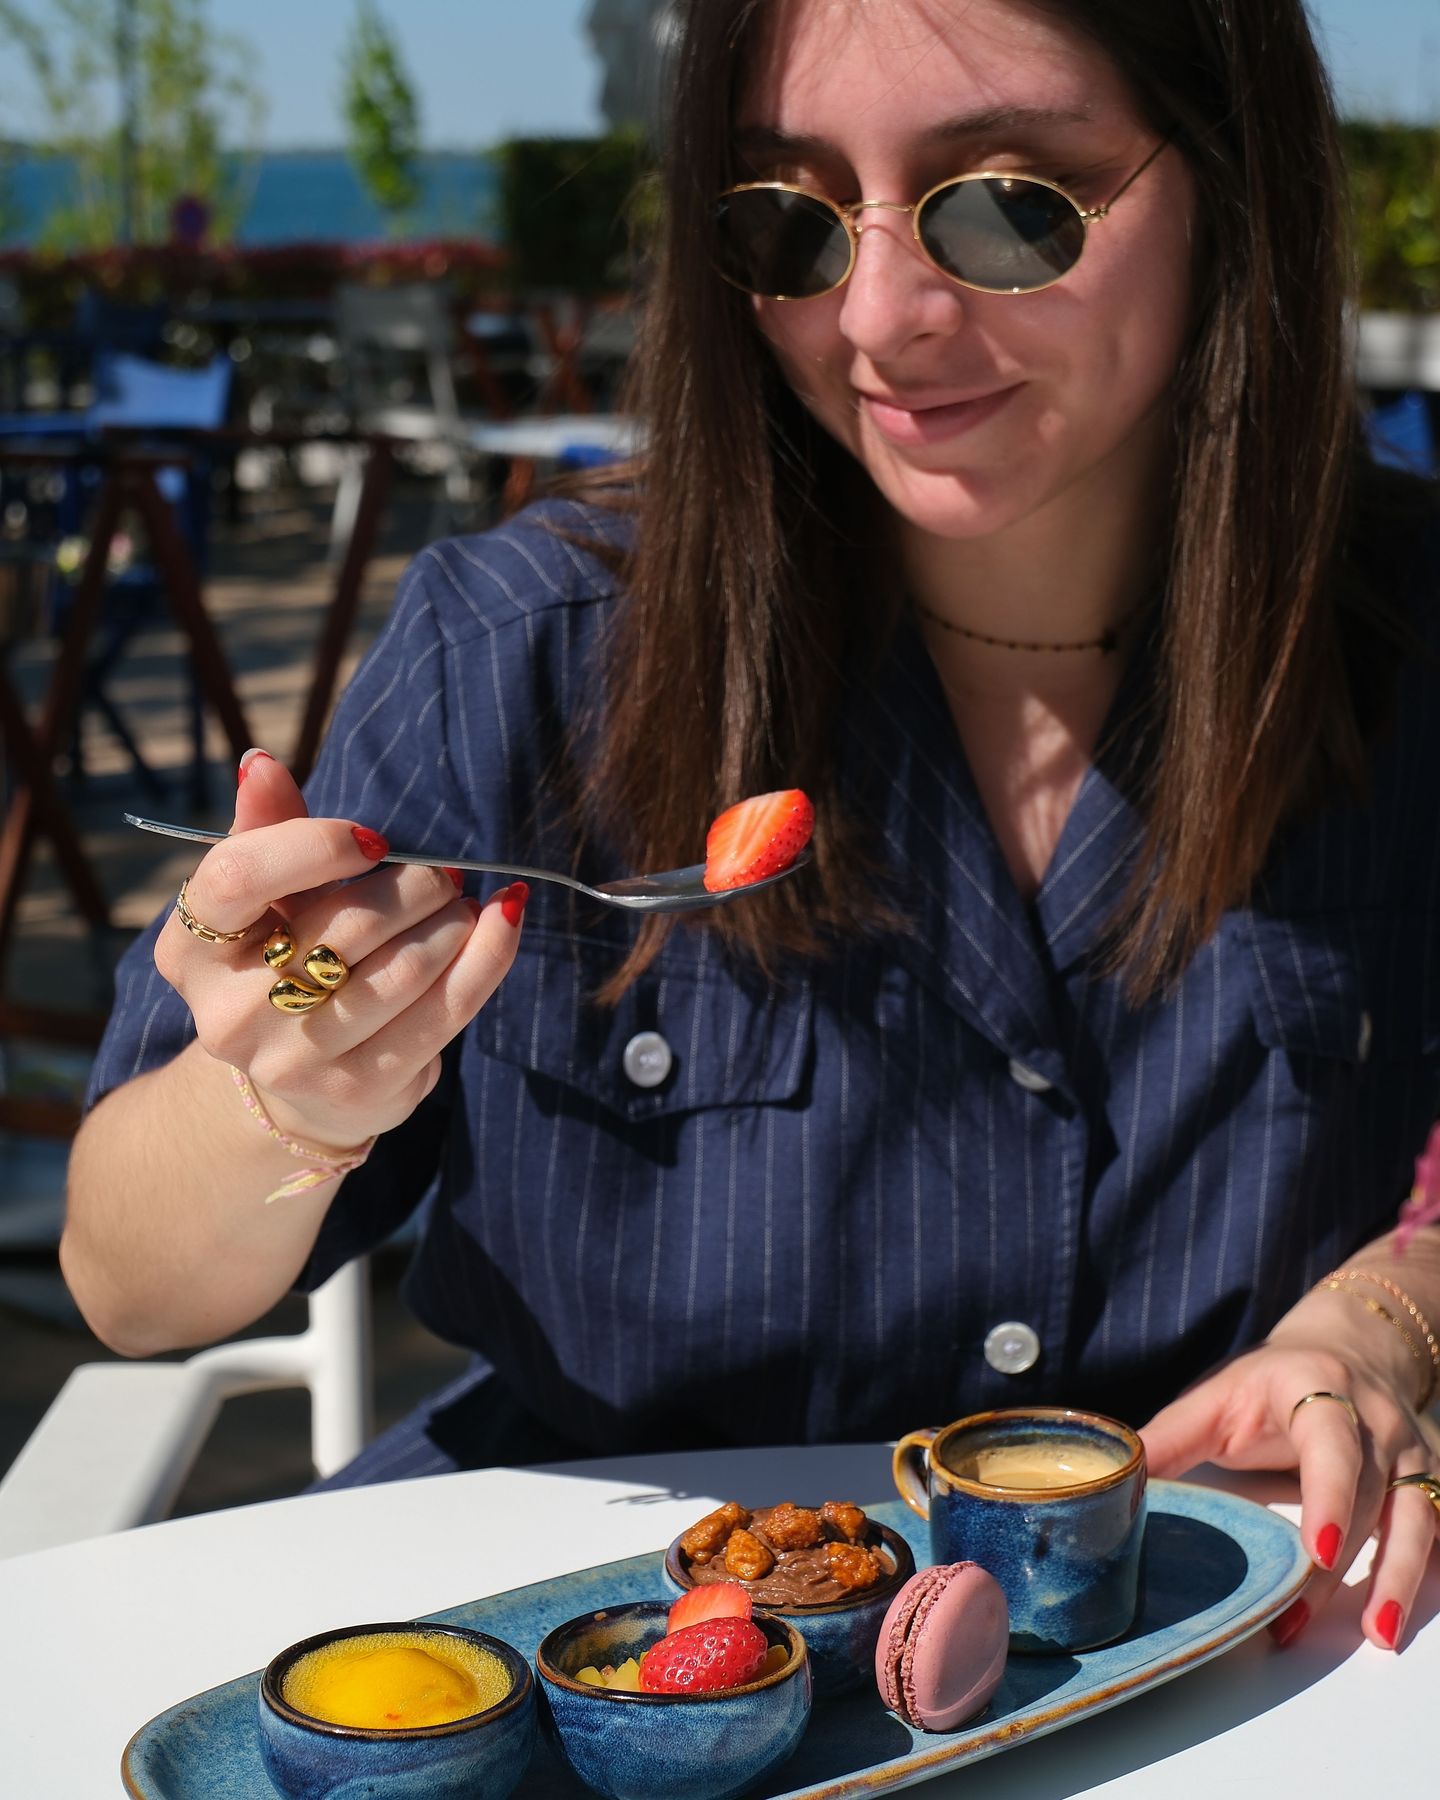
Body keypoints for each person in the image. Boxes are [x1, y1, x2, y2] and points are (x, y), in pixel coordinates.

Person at [62, 0, 1439, 1655]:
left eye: (1009, 205)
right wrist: (278, 1092)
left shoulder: (1406, 641)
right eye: (783, 218)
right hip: (586, 1659)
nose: (878, 316)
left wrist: (1388, 1325)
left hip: (1192, 1647)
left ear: (1233, 183)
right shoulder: (526, 653)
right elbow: (127, 1282)